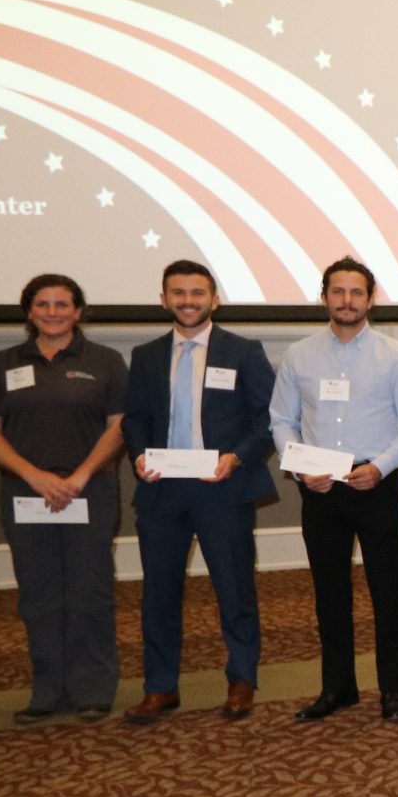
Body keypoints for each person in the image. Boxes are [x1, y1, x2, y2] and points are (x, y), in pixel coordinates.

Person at [269, 256, 398, 725]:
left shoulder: (397, 356)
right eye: (338, 292)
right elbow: (281, 420)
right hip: (320, 486)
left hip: (373, 484)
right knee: (329, 593)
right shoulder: (299, 355)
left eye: (356, 292)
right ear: (324, 298)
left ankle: (392, 689)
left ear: (370, 298)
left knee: (388, 591)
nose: (347, 301)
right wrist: (299, 468)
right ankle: (337, 687)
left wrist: (380, 467)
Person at [120, 259, 278, 724]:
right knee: (159, 595)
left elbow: (267, 417)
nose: (188, 301)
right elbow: (134, 419)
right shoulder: (146, 355)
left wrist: (237, 457)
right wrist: (138, 455)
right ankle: (160, 687)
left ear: (215, 299)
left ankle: (242, 679)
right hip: (162, 492)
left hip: (222, 489)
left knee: (235, 590)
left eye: (197, 293)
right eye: (178, 293)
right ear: (164, 299)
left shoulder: (243, 351)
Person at [0, 273, 128, 724]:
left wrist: (78, 476)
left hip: (90, 491)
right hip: (25, 494)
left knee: (90, 592)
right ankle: (47, 689)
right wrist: (35, 476)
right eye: (43, 304)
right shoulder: (2, 363)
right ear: (29, 311)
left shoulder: (106, 361)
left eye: (63, 304)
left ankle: (93, 689)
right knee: (38, 594)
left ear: (79, 311)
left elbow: (118, 427)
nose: (53, 313)